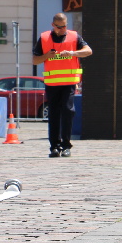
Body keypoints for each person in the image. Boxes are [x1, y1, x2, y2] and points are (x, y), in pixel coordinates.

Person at [33, 13, 92, 157]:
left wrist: (72, 53)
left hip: (69, 83)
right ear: (53, 25)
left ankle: (66, 146)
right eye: (59, 27)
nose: (62, 29)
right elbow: (35, 60)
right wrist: (46, 56)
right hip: (52, 83)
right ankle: (54, 147)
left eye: (64, 26)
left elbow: (88, 51)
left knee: (67, 111)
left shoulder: (74, 36)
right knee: (53, 114)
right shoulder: (44, 38)